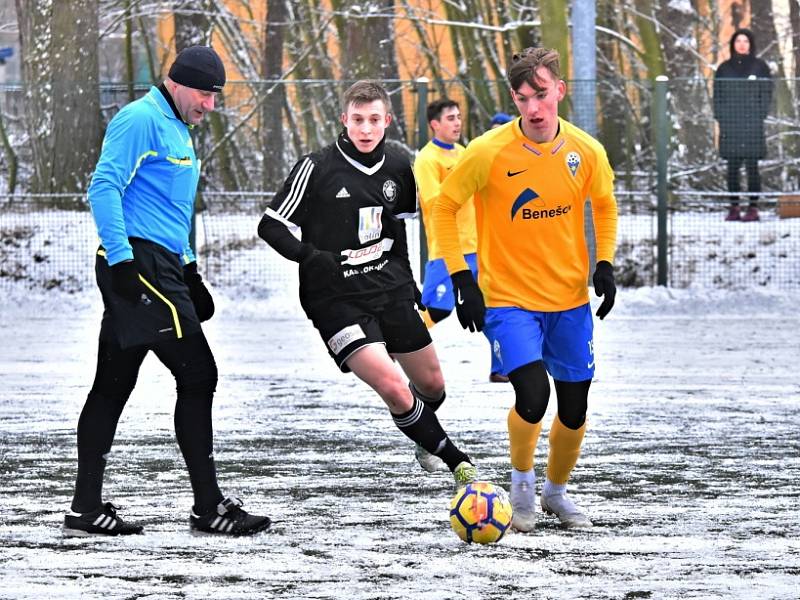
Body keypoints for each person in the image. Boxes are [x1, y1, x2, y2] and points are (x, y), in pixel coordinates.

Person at [64, 46, 271, 537]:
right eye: (204, 93)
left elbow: (170, 208)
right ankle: (208, 507)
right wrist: (121, 261)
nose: (209, 105)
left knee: (114, 385)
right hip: (139, 265)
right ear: (176, 83)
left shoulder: (180, 129)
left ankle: (85, 508)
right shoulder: (140, 119)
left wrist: (191, 270)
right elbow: (104, 188)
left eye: (216, 96)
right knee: (199, 375)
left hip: (163, 265)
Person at [431, 47, 618, 531]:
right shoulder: (488, 151)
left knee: (574, 408)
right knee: (532, 395)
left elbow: (605, 205)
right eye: (522, 97)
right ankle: (522, 484)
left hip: (570, 301)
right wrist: (460, 276)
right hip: (510, 300)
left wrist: (605, 263)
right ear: (513, 99)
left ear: (559, 90)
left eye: (540, 94)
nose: (533, 108)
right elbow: (444, 208)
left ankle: (557, 491)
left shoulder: (586, 151)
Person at [257, 81, 477, 484]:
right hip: (334, 300)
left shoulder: (397, 166)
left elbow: (399, 229)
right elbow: (270, 226)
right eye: (357, 120)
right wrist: (309, 256)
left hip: (388, 289)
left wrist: (409, 280)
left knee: (432, 385)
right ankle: (458, 463)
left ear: (387, 122)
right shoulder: (317, 166)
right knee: (394, 386)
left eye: (374, 120)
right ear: (344, 120)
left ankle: (423, 433)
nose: (365, 128)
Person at [414, 99, 507, 383]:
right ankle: (395, 344)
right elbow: (434, 201)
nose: (457, 123)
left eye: (458, 117)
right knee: (437, 310)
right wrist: (463, 186)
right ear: (435, 125)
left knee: (492, 305)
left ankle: (502, 367)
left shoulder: (464, 152)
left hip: (478, 246)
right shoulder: (427, 159)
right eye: (451, 118)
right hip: (447, 248)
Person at [713, 28, 772, 222]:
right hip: (730, 126)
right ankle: (734, 207)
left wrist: (759, 115)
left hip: (753, 125)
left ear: (751, 44)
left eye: (745, 41)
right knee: (732, 168)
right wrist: (722, 117)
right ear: (733, 44)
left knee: (752, 167)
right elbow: (717, 96)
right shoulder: (723, 68)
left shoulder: (760, 67)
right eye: (738, 40)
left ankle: (753, 208)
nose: (742, 44)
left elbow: (767, 93)